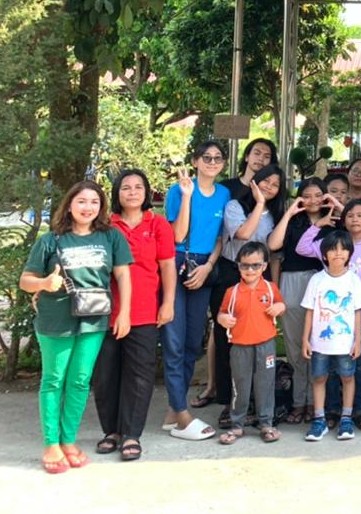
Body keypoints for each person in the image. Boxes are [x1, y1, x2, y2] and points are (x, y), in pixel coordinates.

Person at [22, 181, 133, 474]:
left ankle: (68, 440)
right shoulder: (51, 240)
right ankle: (51, 443)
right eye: (82, 201)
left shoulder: (111, 237)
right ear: (70, 204)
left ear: (101, 207)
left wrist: (125, 314)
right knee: (54, 380)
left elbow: (123, 277)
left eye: (94, 202)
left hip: (94, 319)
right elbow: (26, 280)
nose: (88, 207)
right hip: (55, 318)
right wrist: (45, 283)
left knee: (81, 380)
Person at [93, 170, 175, 462]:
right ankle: (111, 431)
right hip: (103, 312)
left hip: (144, 312)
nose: (132, 192)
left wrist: (168, 303)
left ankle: (131, 434)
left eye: (138, 186)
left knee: (138, 376)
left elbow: (167, 267)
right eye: (125, 187)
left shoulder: (159, 224)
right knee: (105, 375)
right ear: (116, 194)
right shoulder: (104, 226)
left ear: (147, 192)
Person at [163, 141, 229, 442]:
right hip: (177, 263)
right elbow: (177, 234)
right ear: (196, 160)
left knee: (192, 341)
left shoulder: (224, 194)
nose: (212, 162)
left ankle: (173, 410)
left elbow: (219, 238)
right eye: (206, 157)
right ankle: (182, 412)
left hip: (203, 267)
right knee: (174, 340)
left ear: (223, 164)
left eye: (217, 158)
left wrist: (208, 267)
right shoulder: (179, 190)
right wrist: (188, 196)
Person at [211, 164, 285, 429]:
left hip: (260, 275)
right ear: (255, 180)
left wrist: (271, 286)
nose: (268, 187)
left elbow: (273, 249)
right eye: (265, 181)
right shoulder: (235, 206)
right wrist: (258, 204)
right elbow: (242, 234)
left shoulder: (274, 214)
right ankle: (230, 406)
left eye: (275, 184)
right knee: (228, 342)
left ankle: (260, 409)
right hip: (233, 271)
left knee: (259, 344)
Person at [267, 177, 328, 425]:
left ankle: (316, 403)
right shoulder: (292, 220)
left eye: (318, 195)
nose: (312, 200)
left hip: (321, 284)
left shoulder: (333, 221)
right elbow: (273, 245)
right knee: (294, 346)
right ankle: (298, 401)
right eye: (307, 195)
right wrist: (291, 211)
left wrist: (333, 206)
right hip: (291, 283)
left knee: (318, 345)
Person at [301, 229, 361, 442]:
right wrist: (305, 338)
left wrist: (358, 340)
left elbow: (358, 312)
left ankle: (346, 418)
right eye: (333, 249)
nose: (338, 253)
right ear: (324, 254)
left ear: (349, 253)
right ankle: (319, 419)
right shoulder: (316, 280)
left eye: (343, 249)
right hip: (320, 343)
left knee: (348, 377)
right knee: (319, 378)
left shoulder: (353, 280)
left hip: (345, 343)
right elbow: (310, 311)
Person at [215, 242, 285, 444]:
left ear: (264, 266)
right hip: (239, 345)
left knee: (265, 383)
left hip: (266, 344)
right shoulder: (233, 291)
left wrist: (279, 306)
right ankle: (237, 425)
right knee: (240, 384)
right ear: (238, 266)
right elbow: (221, 313)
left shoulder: (271, 289)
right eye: (245, 265)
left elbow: (281, 304)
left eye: (255, 265)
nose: (250, 270)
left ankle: (266, 423)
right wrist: (222, 319)